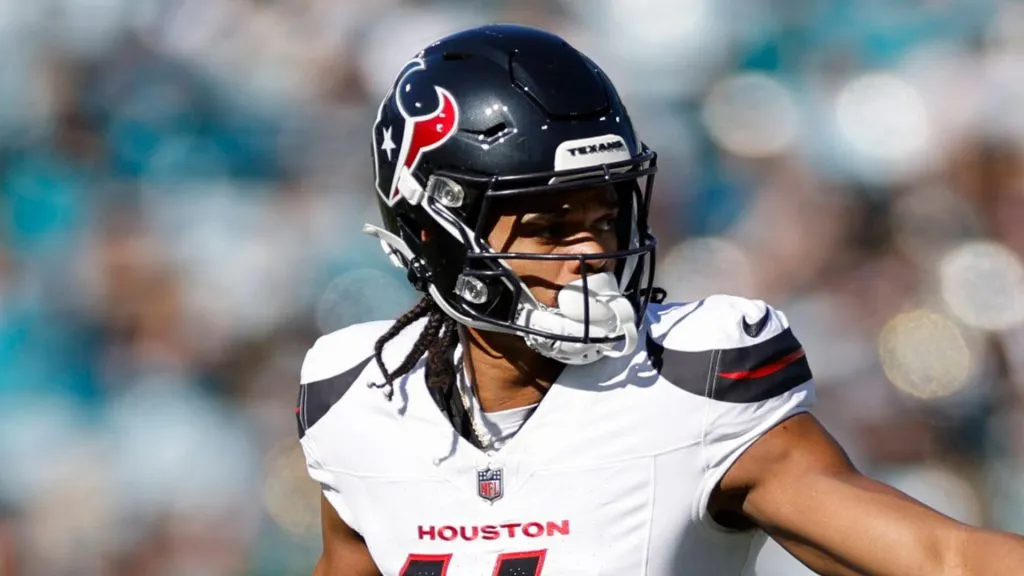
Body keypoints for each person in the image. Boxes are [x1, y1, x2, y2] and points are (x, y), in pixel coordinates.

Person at [297, 23, 1024, 576]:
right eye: (551, 227)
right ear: (436, 233)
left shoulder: (686, 381)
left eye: (604, 218)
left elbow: (942, 557)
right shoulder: (357, 396)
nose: (591, 253)